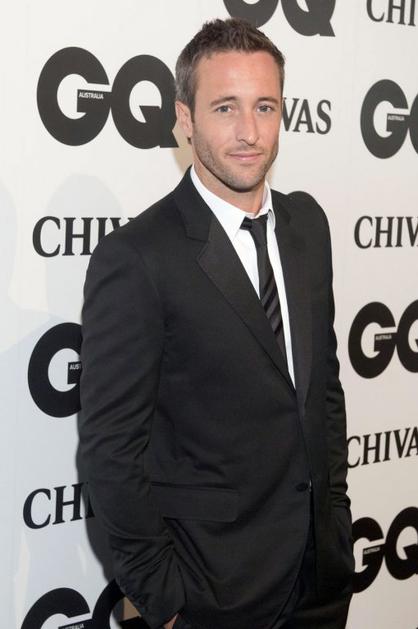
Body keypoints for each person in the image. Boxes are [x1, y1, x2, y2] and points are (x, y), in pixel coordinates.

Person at [79, 17, 354, 629]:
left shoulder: (308, 227)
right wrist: (167, 602)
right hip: (212, 595)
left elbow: (324, 393)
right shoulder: (139, 257)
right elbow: (111, 453)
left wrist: (335, 516)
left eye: (265, 107)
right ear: (185, 119)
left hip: (321, 583)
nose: (249, 132)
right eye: (225, 107)